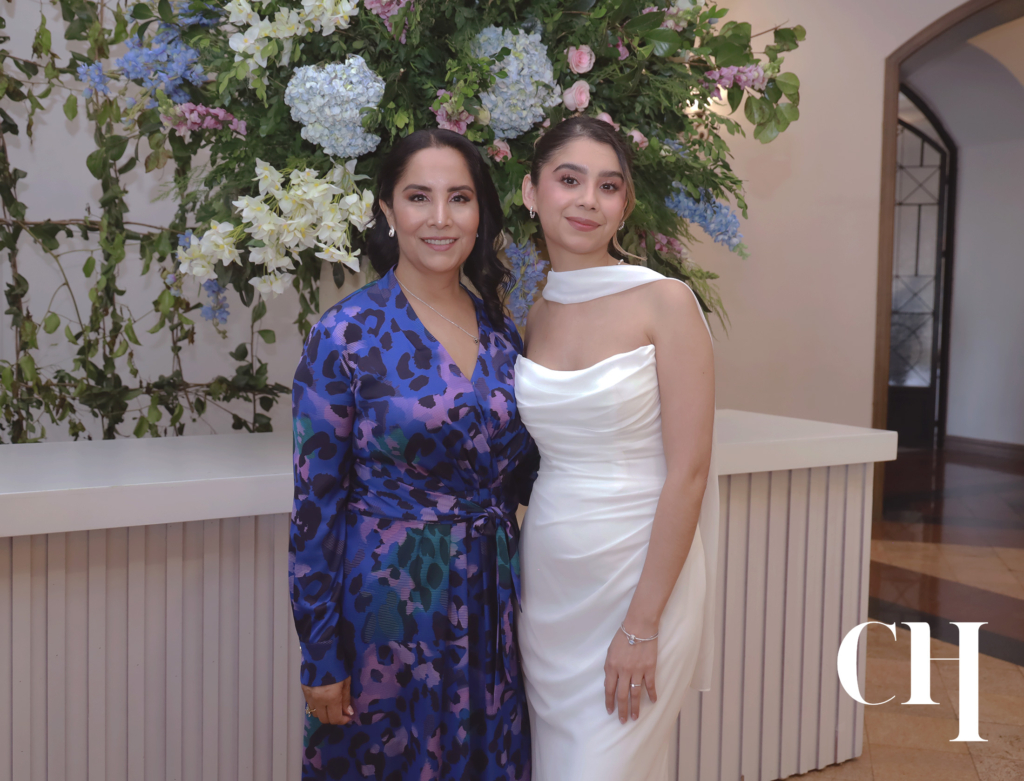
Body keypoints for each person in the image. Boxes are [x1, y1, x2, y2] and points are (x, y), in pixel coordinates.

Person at [290, 128, 534, 780]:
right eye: (419, 196)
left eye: (460, 198)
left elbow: (529, 473)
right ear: (387, 209)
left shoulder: (503, 333)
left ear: (480, 214)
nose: (440, 217)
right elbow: (314, 509)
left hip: (491, 604)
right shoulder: (345, 334)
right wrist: (321, 655)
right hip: (389, 613)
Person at [515, 115, 719, 781]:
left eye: (607, 186)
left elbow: (690, 473)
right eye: (568, 180)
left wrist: (642, 623)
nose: (587, 200)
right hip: (552, 585)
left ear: (625, 205)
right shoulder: (531, 312)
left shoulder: (665, 302)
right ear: (531, 192)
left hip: (639, 577)